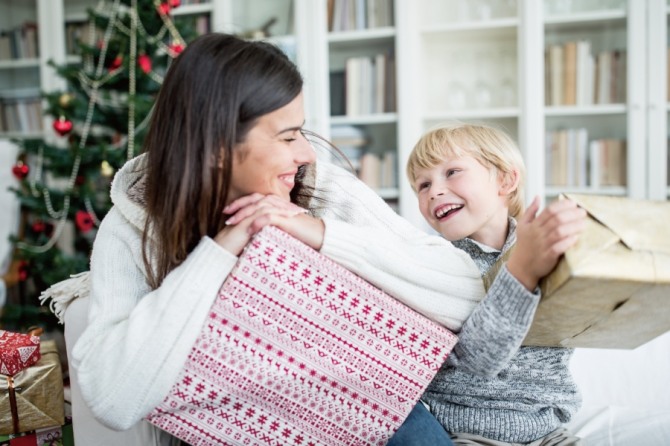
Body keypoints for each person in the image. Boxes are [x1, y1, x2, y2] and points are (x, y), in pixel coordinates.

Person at [69, 33, 486, 445]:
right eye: (287, 137)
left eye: (300, 132)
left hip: (372, 417)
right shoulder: (133, 227)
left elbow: (465, 290)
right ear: (215, 147)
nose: (305, 152)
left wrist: (317, 233)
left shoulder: (324, 189)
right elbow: (112, 399)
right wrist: (221, 250)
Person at [405, 121, 587, 445]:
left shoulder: (548, 248)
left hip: (549, 432)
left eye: (451, 172)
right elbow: (477, 360)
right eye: (422, 184)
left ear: (505, 180)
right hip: (466, 432)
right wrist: (523, 272)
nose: (434, 191)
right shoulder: (433, 264)